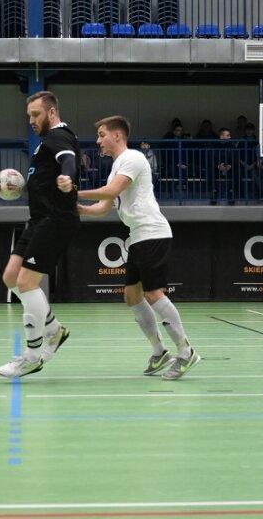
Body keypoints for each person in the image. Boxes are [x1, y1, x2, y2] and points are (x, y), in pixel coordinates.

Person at [61, 115, 200, 380]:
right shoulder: (116, 167)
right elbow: (103, 208)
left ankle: (186, 351)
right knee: (131, 296)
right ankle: (160, 351)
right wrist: (77, 209)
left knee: (153, 294)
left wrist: (74, 192)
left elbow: (111, 191)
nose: (98, 140)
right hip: (137, 236)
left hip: (153, 232)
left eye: (102, 135)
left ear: (117, 135)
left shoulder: (133, 159)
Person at [0, 91, 81, 378]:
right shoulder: (45, 142)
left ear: (52, 112)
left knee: (26, 281)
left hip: (55, 219)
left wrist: (68, 177)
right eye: (29, 116)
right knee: (10, 276)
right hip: (37, 219)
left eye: (36, 115)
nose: (31, 120)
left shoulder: (59, 135)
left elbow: (67, 158)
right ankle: (55, 330)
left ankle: (32, 355)